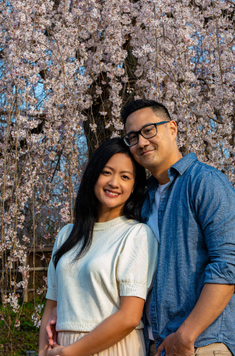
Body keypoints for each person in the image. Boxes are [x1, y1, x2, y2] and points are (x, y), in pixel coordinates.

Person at [120, 99, 235, 356]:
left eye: (149, 130)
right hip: (157, 346)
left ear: (172, 129)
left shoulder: (205, 183)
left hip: (200, 344)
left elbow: (229, 265)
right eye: (132, 137)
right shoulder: (144, 199)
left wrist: (187, 334)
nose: (141, 142)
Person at [38, 137, 158, 356]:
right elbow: (51, 306)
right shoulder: (67, 235)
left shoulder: (136, 235)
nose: (114, 182)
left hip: (115, 347)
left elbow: (130, 316)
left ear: (133, 187)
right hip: (62, 348)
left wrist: (71, 353)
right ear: (93, 176)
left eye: (125, 177)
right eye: (106, 172)